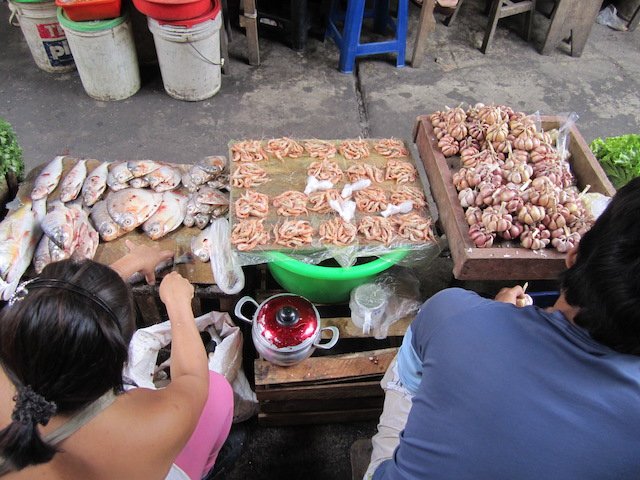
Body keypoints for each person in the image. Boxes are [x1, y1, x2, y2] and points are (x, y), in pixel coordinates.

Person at [365, 176, 640, 479]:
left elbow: (427, 364)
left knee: (408, 371)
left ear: (573, 255)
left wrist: (494, 317)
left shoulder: (454, 314)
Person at [0, 240, 234, 480]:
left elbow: (60, 313)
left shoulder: (11, 362)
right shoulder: (142, 433)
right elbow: (192, 379)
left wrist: (130, 263)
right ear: (118, 360)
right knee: (218, 393)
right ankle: (204, 471)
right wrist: (178, 302)